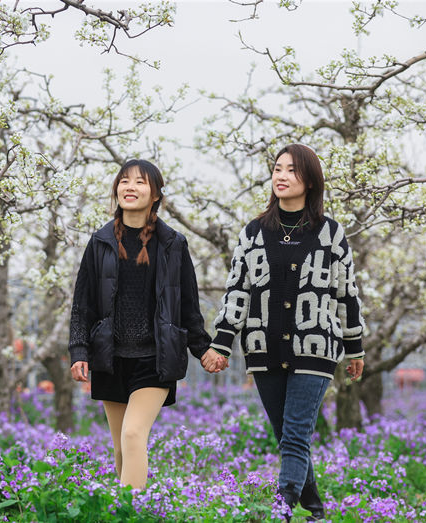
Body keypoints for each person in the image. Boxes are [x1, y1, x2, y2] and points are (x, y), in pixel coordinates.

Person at [204, 144, 365, 521]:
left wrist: (354, 348)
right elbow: (237, 292)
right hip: (263, 347)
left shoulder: (331, 234)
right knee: (287, 436)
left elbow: (347, 293)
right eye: (277, 169)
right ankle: (316, 509)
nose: (281, 176)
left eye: (291, 170)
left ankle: (282, 510)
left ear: (309, 180)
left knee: (294, 435)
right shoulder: (253, 233)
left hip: (317, 347)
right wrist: (221, 344)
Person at [68, 159, 227, 490]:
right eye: (124, 181)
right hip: (110, 358)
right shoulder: (99, 242)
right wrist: (78, 350)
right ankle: (135, 506)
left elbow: (186, 304)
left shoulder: (173, 244)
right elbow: (82, 304)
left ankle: (130, 513)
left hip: (155, 359)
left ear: (156, 194)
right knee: (120, 447)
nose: (130, 187)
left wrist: (203, 349)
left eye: (140, 182)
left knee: (133, 433)